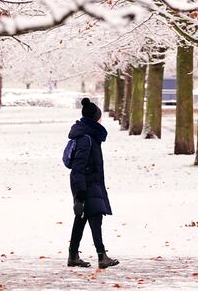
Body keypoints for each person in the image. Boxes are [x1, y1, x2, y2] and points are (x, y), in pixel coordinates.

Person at [67, 97, 119, 269]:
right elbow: (78, 167)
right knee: (95, 217)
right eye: (99, 116)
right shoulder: (86, 139)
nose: (101, 119)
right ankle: (101, 256)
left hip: (90, 182)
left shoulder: (89, 136)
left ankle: (73, 255)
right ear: (94, 118)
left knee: (81, 218)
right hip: (86, 184)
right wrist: (80, 192)